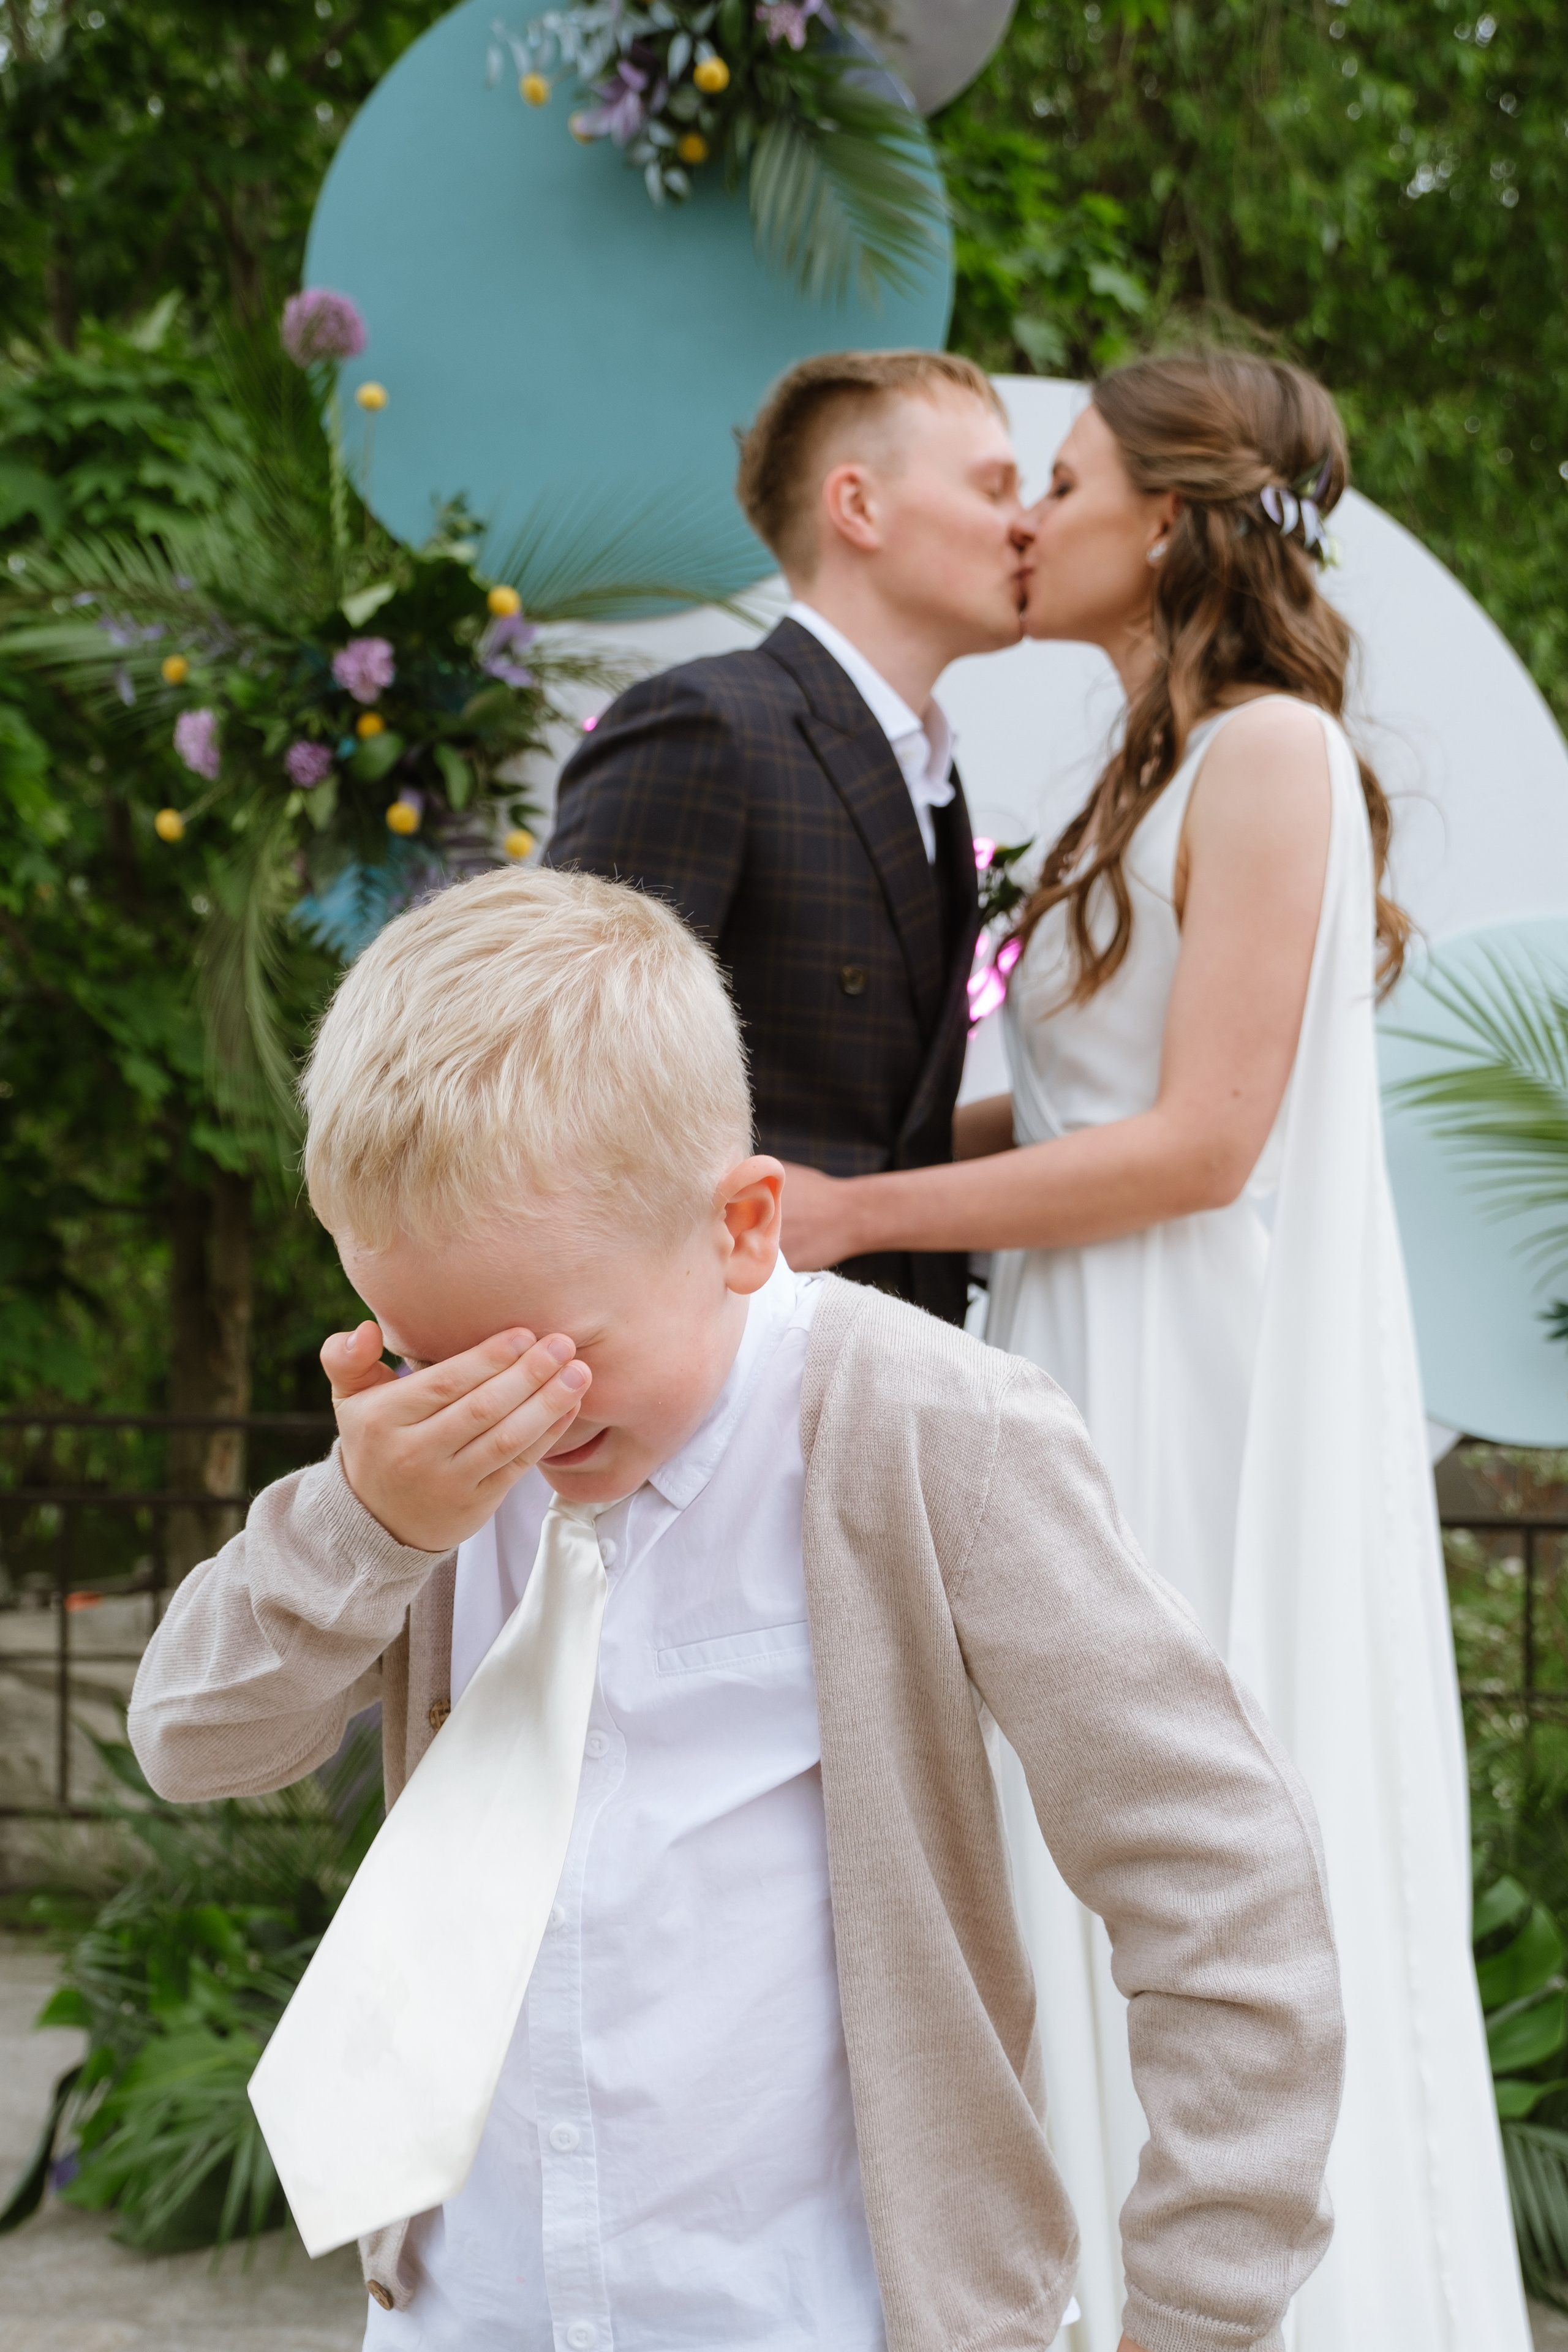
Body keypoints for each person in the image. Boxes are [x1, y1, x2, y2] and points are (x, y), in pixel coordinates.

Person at [129, 865, 1345, 2352]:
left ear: (742, 1224)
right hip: (473, 2307)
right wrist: (363, 1522)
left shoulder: (929, 1432)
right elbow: (194, 1742)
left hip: (823, 2311)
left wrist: (1199, 2315)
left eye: (557, 1350)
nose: (514, 1410)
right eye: (425, 1355)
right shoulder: (427, 1460)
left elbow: (1222, 1880)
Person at [777, 349, 1530, 2350]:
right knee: (1063, 1862)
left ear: (1181, 523)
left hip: (1204, 1392)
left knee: (1184, 1842)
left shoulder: (1273, 757)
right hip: (1083, 1363)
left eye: (1070, 481)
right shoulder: (1127, 767)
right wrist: (822, 1162)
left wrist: (857, 1221)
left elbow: (1203, 1147)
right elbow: (1084, 1096)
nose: (1027, 516)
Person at [545, 349, 1035, 1327]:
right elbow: (561, 1078)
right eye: (994, 487)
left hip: (884, 1354)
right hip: (715, 1361)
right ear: (857, 507)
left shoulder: (936, 783)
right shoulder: (704, 725)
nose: (1027, 527)